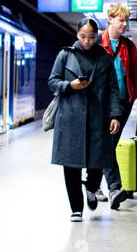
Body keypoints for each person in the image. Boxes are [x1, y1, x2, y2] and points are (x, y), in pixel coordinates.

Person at [49, 18, 124, 221]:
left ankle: (91, 187)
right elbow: (52, 81)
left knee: (97, 161)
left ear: (97, 36)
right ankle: (76, 208)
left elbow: (113, 90)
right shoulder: (65, 55)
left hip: (98, 117)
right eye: (83, 36)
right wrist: (69, 85)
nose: (87, 41)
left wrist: (115, 115)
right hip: (70, 117)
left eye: (91, 37)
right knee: (71, 164)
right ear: (77, 34)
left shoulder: (105, 59)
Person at [98, 3, 137, 209]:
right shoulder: (98, 42)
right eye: (121, 20)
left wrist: (132, 97)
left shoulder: (128, 46)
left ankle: (96, 185)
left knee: (108, 143)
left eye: (126, 21)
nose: (125, 24)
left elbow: (135, 73)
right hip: (102, 104)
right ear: (110, 20)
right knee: (107, 143)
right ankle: (113, 187)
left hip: (123, 103)